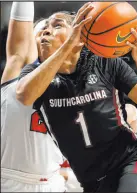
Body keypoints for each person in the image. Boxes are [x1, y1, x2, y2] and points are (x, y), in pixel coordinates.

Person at [16, 2, 137, 192]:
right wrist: (66, 46)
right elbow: (24, 96)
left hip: (131, 162)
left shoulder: (104, 62)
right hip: (92, 182)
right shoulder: (34, 74)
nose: (47, 30)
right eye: (43, 29)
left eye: (57, 25)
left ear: (79, 38)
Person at [1, 2, 66, 192]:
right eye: (41, 30)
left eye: (54, 28)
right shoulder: (19, 69)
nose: (47, 31)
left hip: (52, 183)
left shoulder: (76, 81)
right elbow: (20, 39)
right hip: (9, 180)